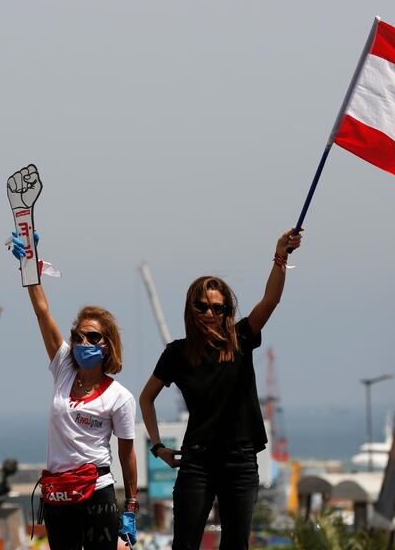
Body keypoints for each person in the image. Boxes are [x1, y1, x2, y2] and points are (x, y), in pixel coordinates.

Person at [139, 228, 302, 550]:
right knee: (185, 544)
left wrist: (281, 256)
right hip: (197, 462)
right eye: (202, 307)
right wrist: (157, 447)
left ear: (228, 311)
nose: (210, 314)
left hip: (241, 461)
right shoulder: (176, 353)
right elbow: (146, 399)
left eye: (219, 308)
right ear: (191, 309)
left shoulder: (241, 339)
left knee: (235, 545)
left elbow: (271, 300)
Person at [9, 233, 139, 550]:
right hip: (58, 492)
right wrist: (29, 264)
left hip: (97, 490)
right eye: (79, 337)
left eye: (93, 338)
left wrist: (131, 508)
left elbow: (126, 453)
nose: (84, 344)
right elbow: (42, 312)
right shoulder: (63, 367)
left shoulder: (119, 397)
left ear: (107, 344)